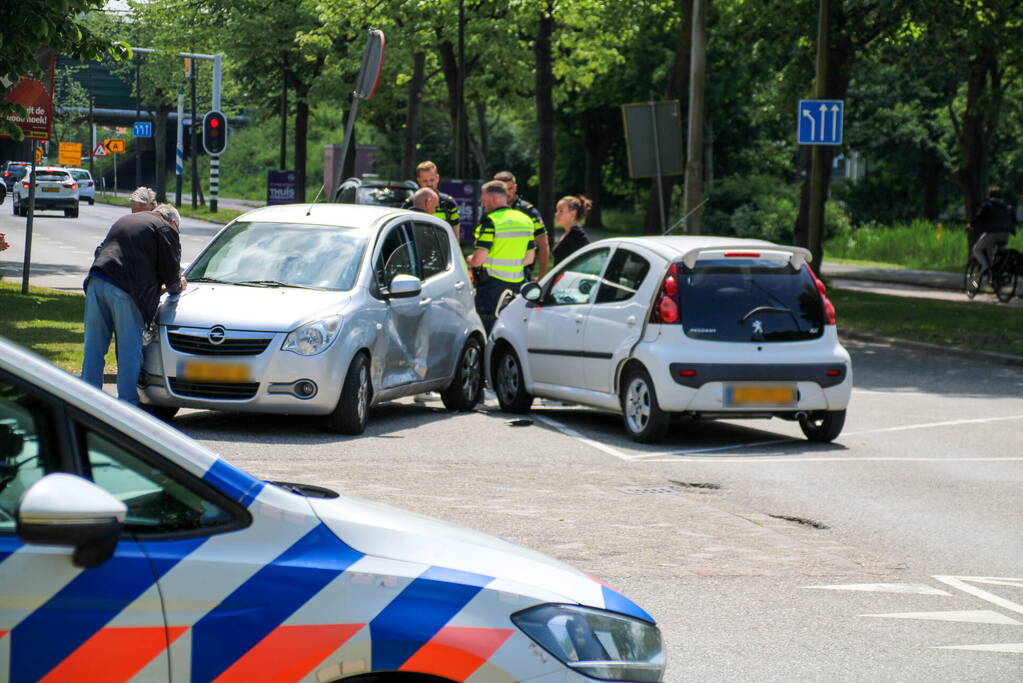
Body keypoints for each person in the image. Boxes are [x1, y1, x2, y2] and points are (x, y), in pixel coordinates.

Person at [82, 204, 186, 405]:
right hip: (124, 290)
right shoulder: (165, 228)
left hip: (97, 281)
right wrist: (176, 286)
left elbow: (102, 251)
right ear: (173, 221)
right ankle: (127, 404)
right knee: (130, 349)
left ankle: (87, 401)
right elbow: (170, 269)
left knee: (94, 347)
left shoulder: (127, 220)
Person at [467, 181, 536, 334]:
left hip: (491, 287)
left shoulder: (490, 221)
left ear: (494, 199)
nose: (482, 204)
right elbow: (530, 258)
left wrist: (469, 259)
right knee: (510, 330)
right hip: (517, 286)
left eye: (484, 200)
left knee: (486, 332)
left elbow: (478, 260)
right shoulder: (525, 220)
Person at [493, 171, 550, 280]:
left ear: (515, 188)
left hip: (521, 275)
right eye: (502, 190)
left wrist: (542, 276)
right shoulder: (489, 211)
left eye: (509, 189)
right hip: (493, 275)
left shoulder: (528, 211)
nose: (507, 193)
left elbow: (543, 244)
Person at [970, 186, 1017, 280]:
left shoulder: (988, 204)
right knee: (998, 255)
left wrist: (971, 225)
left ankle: (985, 266)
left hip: (992, 233)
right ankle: (997, 276)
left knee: (976, 249)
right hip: (1006, 233)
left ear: (989, 194)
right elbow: (1014, 219)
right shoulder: (1007, 205)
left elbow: (979, 216)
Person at [402, 161, 461, 234]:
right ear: (419, 181)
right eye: (425, 181)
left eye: (432, 180)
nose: (429, 184)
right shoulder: (409, 203)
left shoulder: (449, 203)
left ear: (437, 178)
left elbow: (455, 236)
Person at [552, 195, 593, 264]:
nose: (556, 214)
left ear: (573, 213)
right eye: (557, 210)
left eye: (561, 211)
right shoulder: (570, 233)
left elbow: (584, 262)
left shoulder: (577, 235)